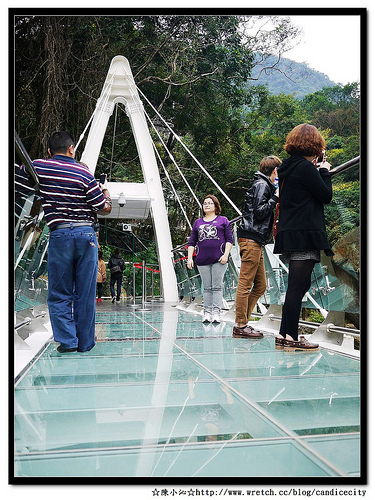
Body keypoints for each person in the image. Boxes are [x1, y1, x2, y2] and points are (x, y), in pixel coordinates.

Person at [16, 131, 112, 353]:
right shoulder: (84, 173)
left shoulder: (40, 166)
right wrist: (105, 190)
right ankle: (85, 343)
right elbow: (103, 208)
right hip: (86, 237)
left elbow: (21, 173)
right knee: (85, 293)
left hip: (60, 235)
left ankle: (68, 341)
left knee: (59, 292)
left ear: (49, 151)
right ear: (72, 149)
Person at [273, 123, 333, 352]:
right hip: (304, 233)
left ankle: (284, 334)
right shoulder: (306, 169)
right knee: (297, 287)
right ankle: (290, 336)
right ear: (315, 145)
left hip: (290, 233)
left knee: (298, 285)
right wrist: (325, 171)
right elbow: (325, 196)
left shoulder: (286, 168)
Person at [233, 156, 281, 339]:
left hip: (256, 241)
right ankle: (240, 325)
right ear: (274, 171)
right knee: (245, 284)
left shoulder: (262, 184)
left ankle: (243, 321)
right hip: (251, 240)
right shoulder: (262, 185)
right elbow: (260, 212)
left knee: (260, 285)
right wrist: (275, 198)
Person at [187, 194, 233, 323]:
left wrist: (226, 254)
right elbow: (192, 242)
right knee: (207, 288)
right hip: (202, 260)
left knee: (217, 287)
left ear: (215, 206)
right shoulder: (198, 222)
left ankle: (217, 313)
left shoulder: (223, 220)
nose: (206, 205)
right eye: (204, 203)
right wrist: (190, 258)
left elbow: (230, 240)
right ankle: (207, 313)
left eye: (209, 203)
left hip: (219, 259)